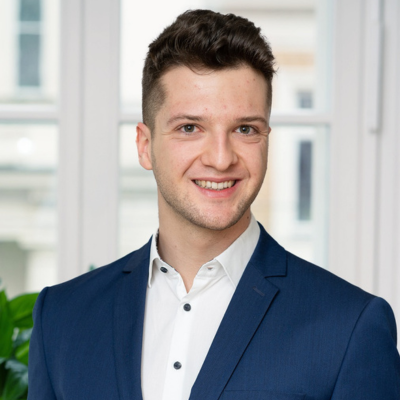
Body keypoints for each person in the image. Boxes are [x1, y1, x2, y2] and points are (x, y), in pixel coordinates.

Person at [28, 9, 400, 400]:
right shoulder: (61, 318)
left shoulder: (350, 327)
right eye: (190, 128)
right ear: (145, 146)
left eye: (245, 129)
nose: (221, 159)